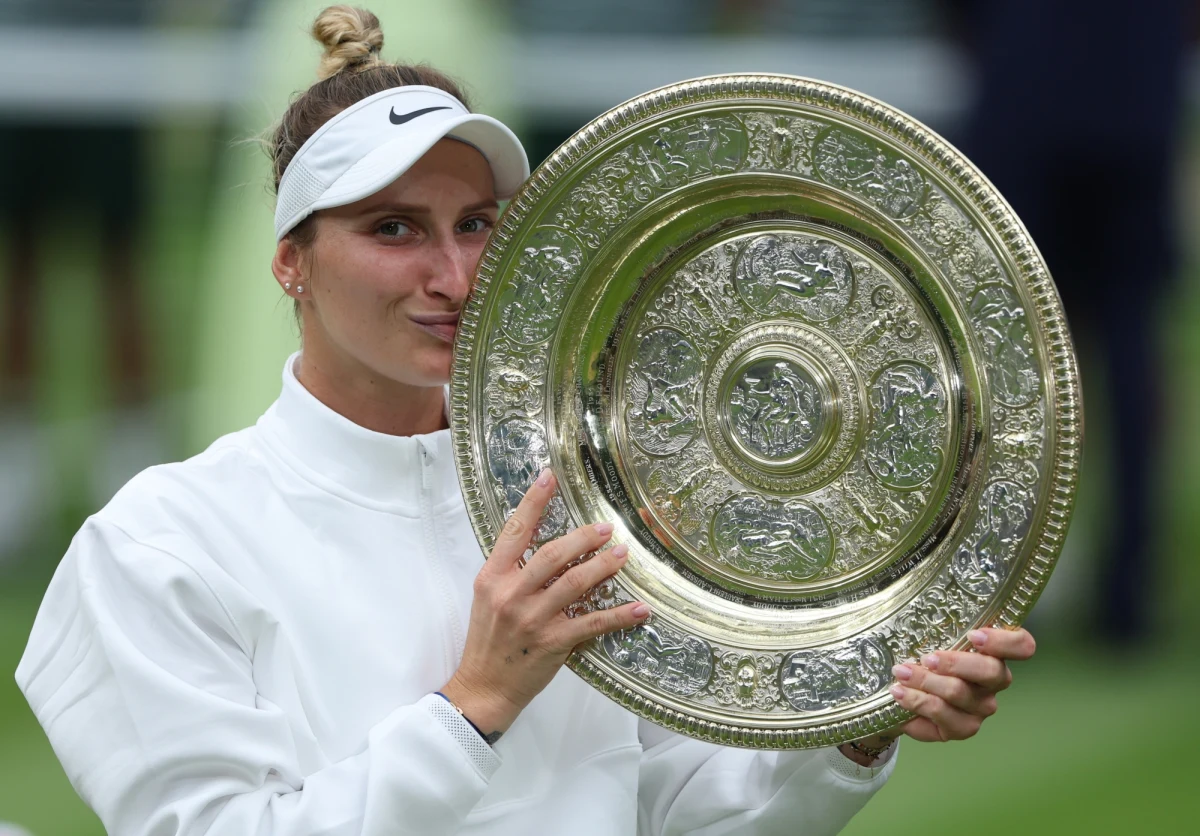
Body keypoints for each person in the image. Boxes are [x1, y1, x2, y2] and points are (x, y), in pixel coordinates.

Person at [15, 7, 1036, 834]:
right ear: (290, 260)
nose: (453, 276)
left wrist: (856, 731)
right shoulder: (158, 545)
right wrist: (473, 706)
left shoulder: (587, 505)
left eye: (475, 225)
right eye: (393, 229)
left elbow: (686, 811)